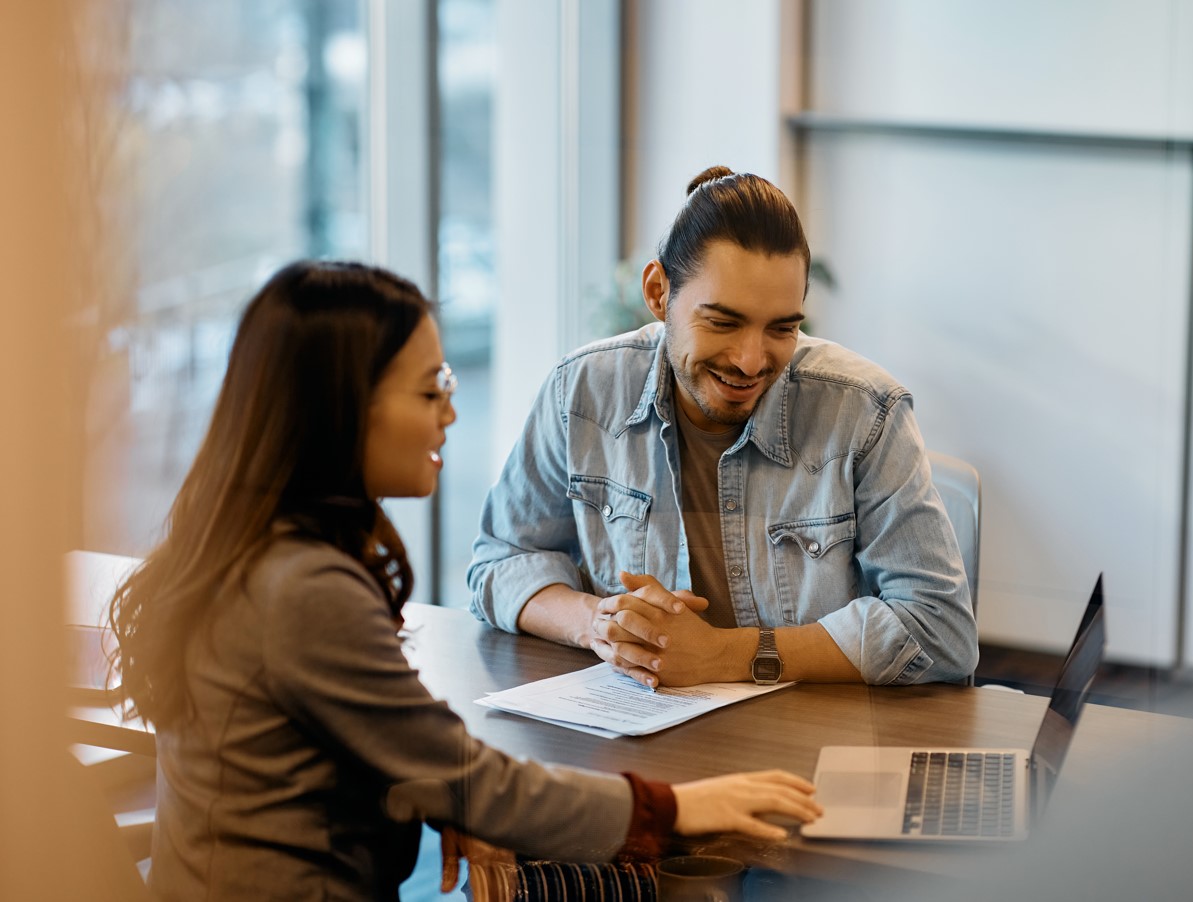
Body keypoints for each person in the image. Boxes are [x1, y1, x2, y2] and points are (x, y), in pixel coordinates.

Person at [108, 260, 820, 901]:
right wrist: (676, 809)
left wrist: (445, 795)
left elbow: (406, 758)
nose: (451, 409)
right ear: (342, 410)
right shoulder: (304, 588)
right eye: (430, 389)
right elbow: (464, 773)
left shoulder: (257, 552)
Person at [469, 166, 978, 689]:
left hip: (810, 740)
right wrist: (597, 624)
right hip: (644, 738)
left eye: (782, 327)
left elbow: (941, 629)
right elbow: (500, 561)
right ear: (658, 292)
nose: (751, 361)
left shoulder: (866, 412)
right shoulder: (581, 393)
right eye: (723, 322)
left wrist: (729, 655)